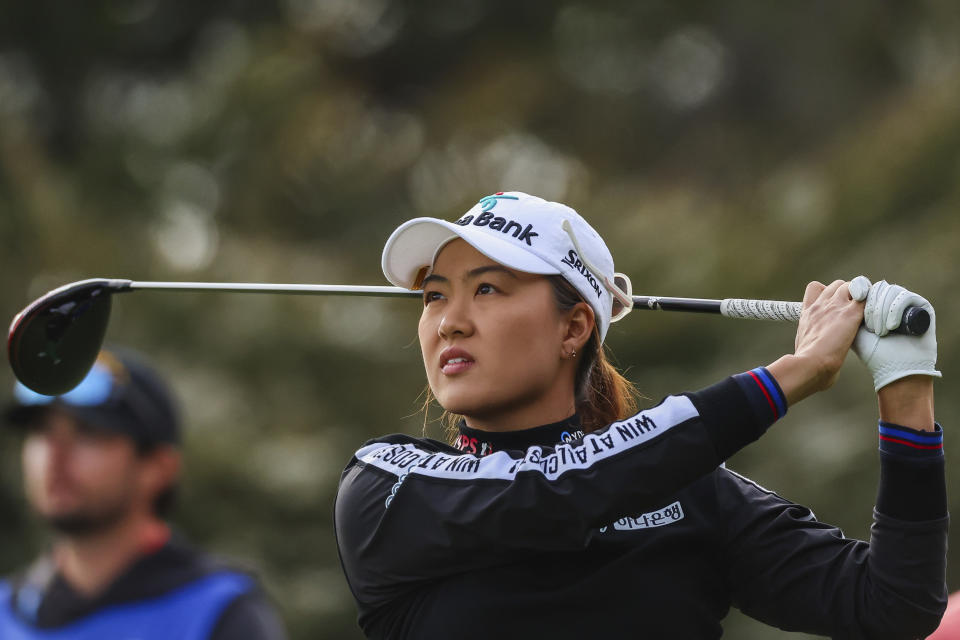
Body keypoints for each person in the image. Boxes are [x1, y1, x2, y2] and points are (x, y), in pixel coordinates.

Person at [334, 191, 947, 639]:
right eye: (435, 294)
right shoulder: (387, 487)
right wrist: (791, 374)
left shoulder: (692, 491)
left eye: (487, 289)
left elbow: (893, 606)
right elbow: (557, 488)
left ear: (574, 327)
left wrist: (906, 387)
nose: (449, 321)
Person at [0, 347, 287, 640]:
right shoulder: (6, 609)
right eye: (41, 431)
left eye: (88, 432)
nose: (54, 455)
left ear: (158, 468)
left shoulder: (220, 611)